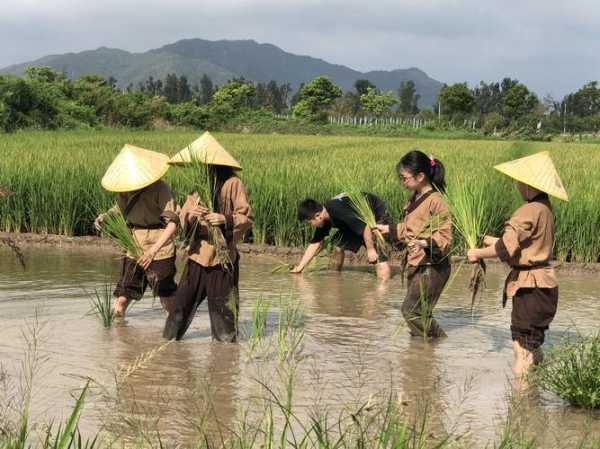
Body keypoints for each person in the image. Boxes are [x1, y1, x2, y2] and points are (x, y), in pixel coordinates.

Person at [466, 151, 567, 381]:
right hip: (545, 286)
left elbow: (505, 249)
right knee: (532, 345)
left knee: (521, 349)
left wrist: (476, 253)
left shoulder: (528, 210)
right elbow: (526, 244)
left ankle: (520, 404)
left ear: (529, 185)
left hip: (531, 287)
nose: (518, 186)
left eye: (520, 182)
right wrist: (491, 239)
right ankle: (538, 386)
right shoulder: (545, 208)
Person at [163, 132, 253, 342]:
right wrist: (191, 217)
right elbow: (183, 220)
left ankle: (225, 358)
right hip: (197, 255)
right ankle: (167, 345)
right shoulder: (196, 190)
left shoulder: (232, 184)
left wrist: (224, 218)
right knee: (180, 306)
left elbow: (246, 216)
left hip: (222, 258)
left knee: (223, 313)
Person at [95, 144, 179, 317]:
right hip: (134, 245)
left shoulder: (160, 188)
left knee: (166, 298)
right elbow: (117, 210)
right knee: (123, 297)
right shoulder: (125, 191)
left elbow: (172, 224)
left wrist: (152, 251)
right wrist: (104, 218)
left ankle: (173, 338)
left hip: (160, 247)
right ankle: (117, 336)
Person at [376, 150, 452, 339]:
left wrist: (424, 242)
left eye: (405, 178)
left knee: (411, 310)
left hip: (432, 265)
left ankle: (438, 340)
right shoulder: (414, 198)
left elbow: (445, 236)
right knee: (420, 313)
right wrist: (390, 229)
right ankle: (423, 354)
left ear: (420, 176)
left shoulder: (437, 201)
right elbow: (412, 227)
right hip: (416, 262)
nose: (403, 182)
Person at [293, 192, 392, 280]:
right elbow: (315, 243)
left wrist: (370, 249)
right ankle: (337, 276)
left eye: (309, 223)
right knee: (337, 245)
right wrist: (300, 267)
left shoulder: (338, 211)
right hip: (356, 220)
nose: (311, 225)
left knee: (377, 255)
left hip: (375, 215)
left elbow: (365, 227)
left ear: (318, 215)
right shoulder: (324, 218)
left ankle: (383, 287)